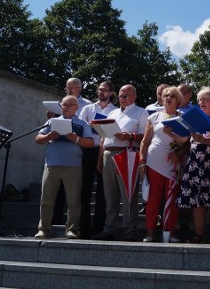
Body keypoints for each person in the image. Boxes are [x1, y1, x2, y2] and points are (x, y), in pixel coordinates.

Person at [94, 84, 149, 241]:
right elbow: (103, 137)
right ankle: (109, 228)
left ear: (134, 97)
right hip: (108, 153)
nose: (122, 99)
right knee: (110, 195)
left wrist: (130, 136)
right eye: (120, 96)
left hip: (127, 153)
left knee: (128, 194)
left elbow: (146, 136)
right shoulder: (112, 112)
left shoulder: (141, 112)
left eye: (126, 96)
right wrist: (100, 158)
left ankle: (130, 229)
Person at [35, 95, 96, 239]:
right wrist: (48, 137)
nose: (65, 107)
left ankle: (72, 230)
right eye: (63, 105)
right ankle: (43, 229)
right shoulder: (51, 121)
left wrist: (76, 138)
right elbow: (38, 139)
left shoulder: (82, 124)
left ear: (76, 107)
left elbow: (90, 143)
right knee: (46, 200)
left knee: (74, 201)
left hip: (73, 166)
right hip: (51, 165)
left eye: (69, 105)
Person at [177, 87, 210, 243]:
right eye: (199, 100)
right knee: (197, 199)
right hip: (196, 162)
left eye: (205, 100)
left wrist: (204, 140)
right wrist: (172, 132)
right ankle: (198, 234)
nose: (201, 102)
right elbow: (185, 139)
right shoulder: (192, 118)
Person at [139, 86, 186, 242]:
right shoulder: (154, 117)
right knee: (153, 199)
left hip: (173, 163)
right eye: (165, 95)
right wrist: (142, 161)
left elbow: (187, 142)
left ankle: (170, 233)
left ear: (178, 100)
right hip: (154, 161)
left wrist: (178, 152)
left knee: (171, 199)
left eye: (172, 95)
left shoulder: (183, 117)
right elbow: (145, 142)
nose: (168, 98)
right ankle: (150, 233)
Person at [77, 79, 116, 238]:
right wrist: (92, 125)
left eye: (104, 90)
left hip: (104, 151)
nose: (101, 92)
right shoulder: (87, 108)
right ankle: (83, 227)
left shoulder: (115, 110)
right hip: (87, 150)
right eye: (99, 89)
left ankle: (99, 227)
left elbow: (113, 131)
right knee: (84, 189)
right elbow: (79, 126)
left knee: (103, 191)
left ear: (111, 93)